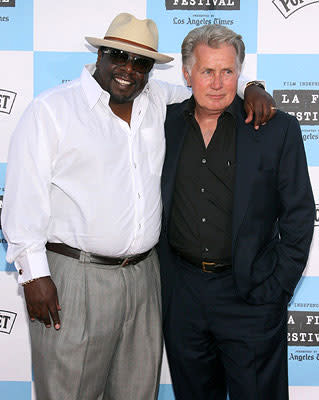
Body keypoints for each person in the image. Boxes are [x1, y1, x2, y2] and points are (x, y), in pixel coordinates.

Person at [2, 13, 275, 400]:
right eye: (118, 55)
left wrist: (252, 86)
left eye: (141, 62)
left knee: (137, 392)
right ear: (99, 55)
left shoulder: (156, 98)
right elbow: (21, 200)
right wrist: (33, 276)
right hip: (74, 277)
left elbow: (211, 86)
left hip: (146, 278)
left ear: (150, 70)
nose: (128, 69)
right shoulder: (51, 111)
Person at [158, 24, 315, 400]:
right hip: (183, 297)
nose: (217, 83)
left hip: (251, 297)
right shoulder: (163, 124)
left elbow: (298, 216)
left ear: (239, 73)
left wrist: (274, 291)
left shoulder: (276, 129)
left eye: (227, 71)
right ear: (186, 74)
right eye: (207, 71)